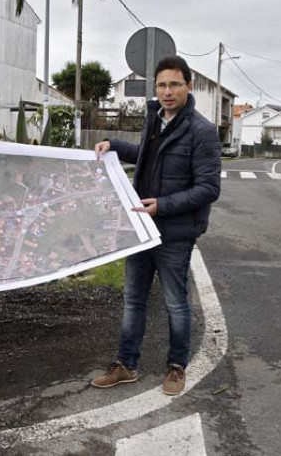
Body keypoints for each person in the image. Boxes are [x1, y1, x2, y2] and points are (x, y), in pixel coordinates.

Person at [91, 55, 221, 396]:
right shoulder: (155, 118)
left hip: (175, 232)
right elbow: (149, 156)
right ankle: (126, 365)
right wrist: (115, 147)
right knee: (133, 300)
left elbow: (209, 189)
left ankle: (177, 368)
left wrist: (162, 206)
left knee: (175, 303)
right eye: (162, 85)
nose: (167, 91)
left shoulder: (203, 131)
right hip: (140, 227)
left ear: (188, 87)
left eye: (175, 84)